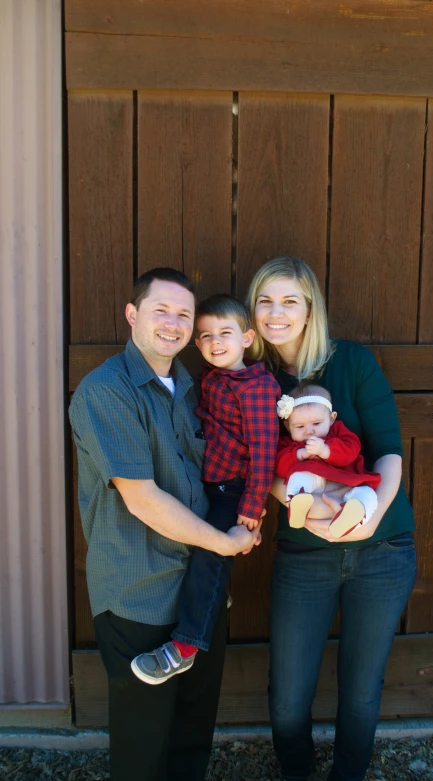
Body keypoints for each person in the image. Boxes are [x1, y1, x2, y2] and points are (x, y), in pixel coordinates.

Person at [69, 269, 261, 781]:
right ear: (133, 315)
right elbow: (144, 500)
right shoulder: (105, 391)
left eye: (184, 315)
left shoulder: (197, 390)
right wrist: (226, 542)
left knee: (191, 740)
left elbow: (233, 464)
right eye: (161, 310)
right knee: (143, 749)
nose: (174, 324)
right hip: (140, 595)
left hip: (200, 593)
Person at [246, 257, 417, 781]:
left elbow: (388, 449)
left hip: (382, 551)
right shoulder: (253, 380)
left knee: (362, 693)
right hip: (304, 553)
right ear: (253, 311)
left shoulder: (354, 363)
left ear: (310, 308)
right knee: (288, 701)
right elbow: (255, 465)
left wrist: (370, 513)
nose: (277, 314)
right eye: (265, 301)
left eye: (289, 301)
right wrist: (304, 507)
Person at [131, 294, 280, 685]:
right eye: (206, 335)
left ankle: (184, 647)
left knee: (207, 558)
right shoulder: (210, 379)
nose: (216, 342)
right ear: (196, 344)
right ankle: (213, 598)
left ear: (247, 338)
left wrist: (252, 504)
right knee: (189, 545)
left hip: (234, 491)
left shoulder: (256, 387)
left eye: (225, 333)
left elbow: (265, 451)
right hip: (206, 484)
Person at [275, 384, 380, 536]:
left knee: (369, 495)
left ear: (331, 419)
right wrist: (299, 454)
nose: (309, 431)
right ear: (287, 425)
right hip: (313, 487)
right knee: (299, 475)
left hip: (347, 481)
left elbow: (352, 450)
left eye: (317, 424)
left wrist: (326, 450)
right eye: (299, 426)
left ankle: (350, 517)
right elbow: (278, 465)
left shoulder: (337, 433)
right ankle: (297, 505)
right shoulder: (290, 445)